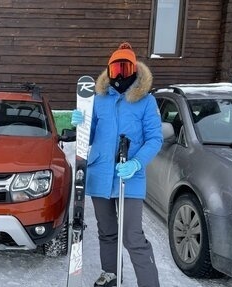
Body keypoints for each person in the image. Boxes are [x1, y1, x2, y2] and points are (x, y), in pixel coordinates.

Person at [71, 42, 162, 287]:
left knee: (132, 236)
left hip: (129, 175)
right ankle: (110, 273)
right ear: (109, 71)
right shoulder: (98, 99)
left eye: (125, 68)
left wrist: (136, 163)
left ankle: (149, 282)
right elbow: (87, 138)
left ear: (135, 69)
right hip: (100, 174)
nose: (120, 75)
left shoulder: (145, 101)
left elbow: (155, 138)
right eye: (115, 70)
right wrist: (80, 122)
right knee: (107, 231)